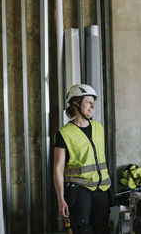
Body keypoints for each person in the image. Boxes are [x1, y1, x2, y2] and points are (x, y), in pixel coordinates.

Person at [53, 84, 111, 234]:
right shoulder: (64, 133)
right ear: (75, 103)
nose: (93, 106)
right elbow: (58, 168)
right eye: (88, 102)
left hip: (101, 189)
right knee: (81, 229)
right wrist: (60, 198)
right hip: (79, 190)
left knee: (103, 229)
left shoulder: (99, 127)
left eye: (94, 102)